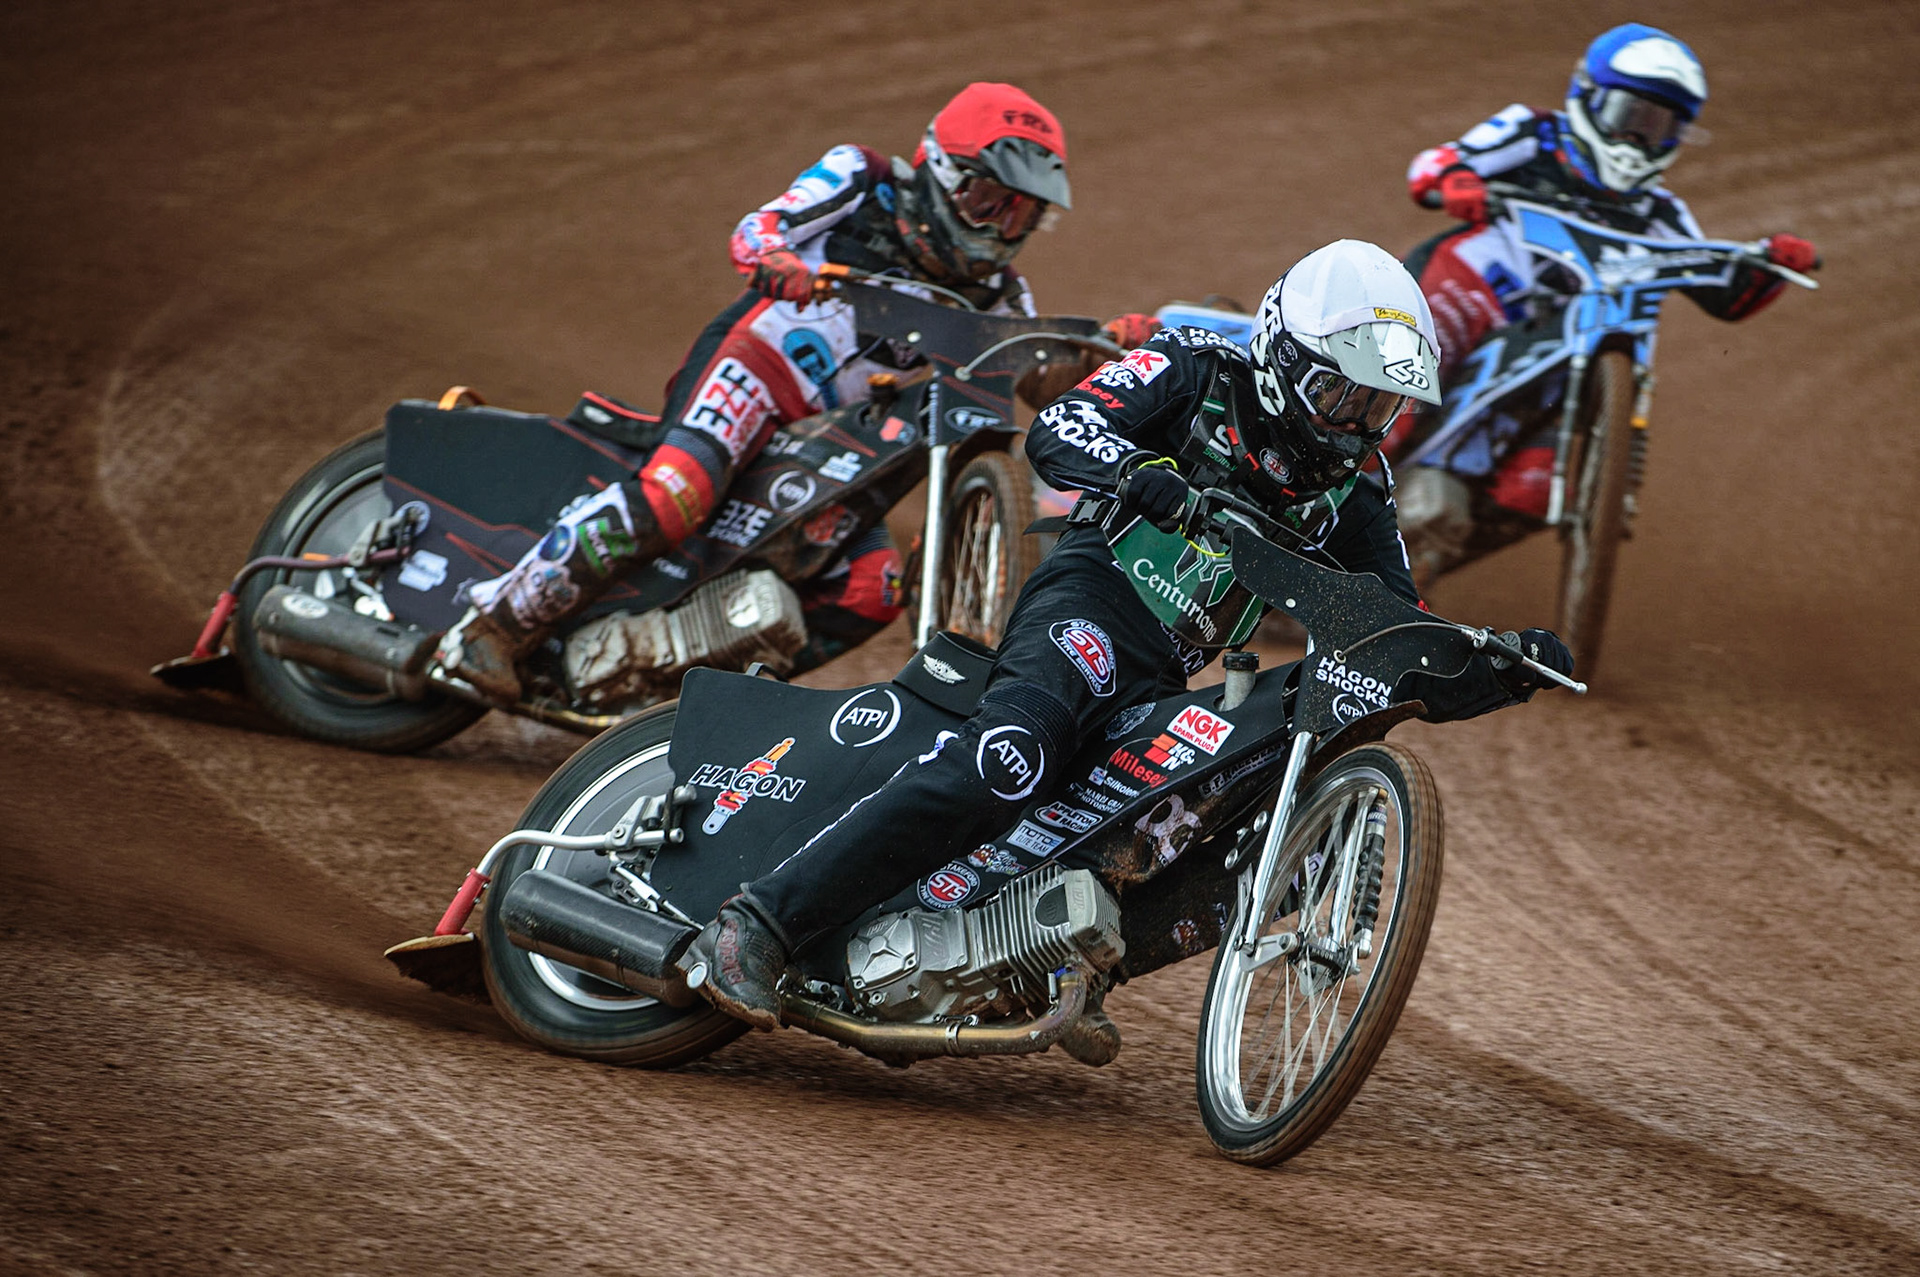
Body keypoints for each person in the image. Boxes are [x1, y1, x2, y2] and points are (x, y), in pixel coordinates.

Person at [689, 239, 1575, 1049]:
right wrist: (1136, 472)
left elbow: (1392, 628)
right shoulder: (1195, 367)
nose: (1353, 424)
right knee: (1013, 757)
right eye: (1341, 394)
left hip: (1166, 672)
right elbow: (1061, 428)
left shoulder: (1358, 488)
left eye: (1377, 406)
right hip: (1090, 603)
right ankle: (759, 923)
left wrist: (1497, 663)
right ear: (1283, 358)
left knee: (1208, 802)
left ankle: (1055, 952)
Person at [437, 82, 1142, 704]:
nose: (997, 229)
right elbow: (761, 227)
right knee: (673, 495)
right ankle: (491, 626)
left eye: (1019, 215)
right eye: (986, 199)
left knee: (871, 590)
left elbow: (1036, 378)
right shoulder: (866, 179)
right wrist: (775, 259)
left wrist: (1105, 350)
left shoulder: (1001, 294)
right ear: (940, 170)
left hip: (844, 443)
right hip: (760, 371)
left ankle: (676, 686)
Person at [1391, 23, 1820, 557]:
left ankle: (1399, 572)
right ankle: (1307, 503)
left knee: (1534, 490)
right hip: (1474, 287)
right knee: (1391, 396)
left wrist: (1772, 264)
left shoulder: (1660, 212)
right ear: (1589, 99)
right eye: (1629, 117)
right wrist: (1456, 180)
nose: (1638, 141)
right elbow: (1432, 167)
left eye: (1659, 127)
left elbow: (1726, 296)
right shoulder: (1533, 132)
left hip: (1565, 345)